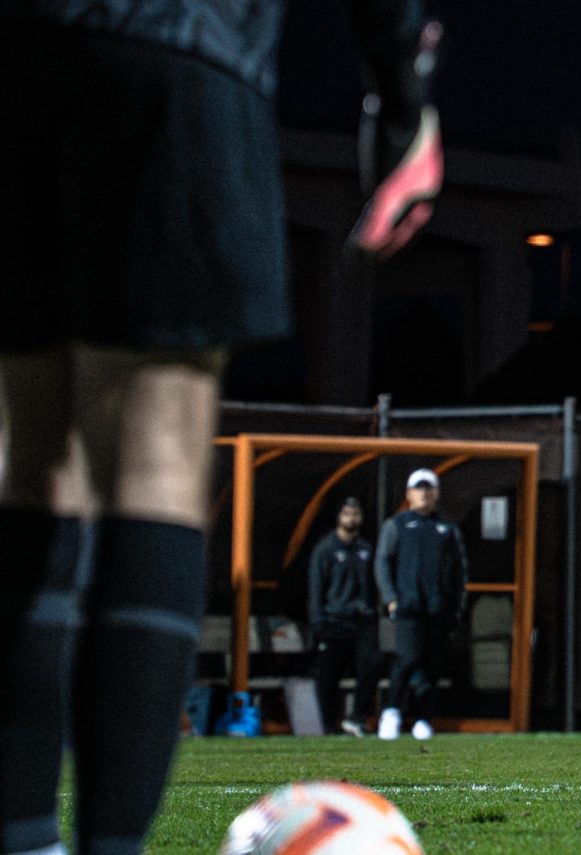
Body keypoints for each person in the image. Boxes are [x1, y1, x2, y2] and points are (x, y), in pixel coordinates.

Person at [0, 2, 441, 852]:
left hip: (21, 60)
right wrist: (399, 85)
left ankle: (20, 837)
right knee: (156, 461)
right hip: (179, 52)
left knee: (29, 459)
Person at [374, 469, 468, 741]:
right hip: (408, 607)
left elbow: (459, 571)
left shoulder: (446, 529)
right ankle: (391, 711)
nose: (424, 493)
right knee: (407, 658)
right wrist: (391, 598)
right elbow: (382, 562)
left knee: (432, 666)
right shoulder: (397, 525)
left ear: (436, 493)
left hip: (438, 608)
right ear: (408, 493)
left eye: (429, 488)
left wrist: (455, 606)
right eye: (418, 488)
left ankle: (423, 718)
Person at [308, 497, 381, 737]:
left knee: (369, 668)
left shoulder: (365, 550)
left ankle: (357, 716)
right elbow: (317, 588)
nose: (352, 518)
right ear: (339, 517)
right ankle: (328, 726)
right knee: (329, 677)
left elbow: (372, 585)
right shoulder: (326, 549)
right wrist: (318, 622)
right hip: (334, 622)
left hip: (361, 622)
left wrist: (371, 610)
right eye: (347, 513)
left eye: (356, 514)